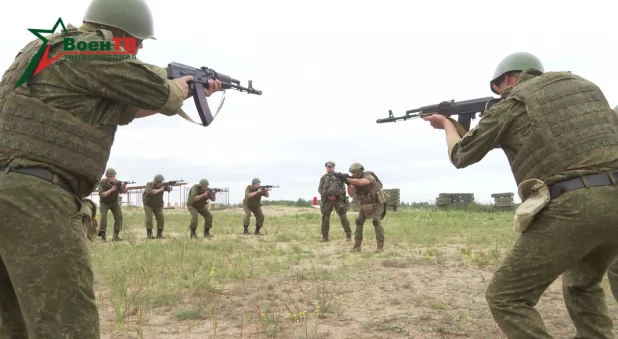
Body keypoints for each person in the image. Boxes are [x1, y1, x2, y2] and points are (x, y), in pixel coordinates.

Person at [0, 0, 222, 336]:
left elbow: (125, 108)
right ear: (121, 33)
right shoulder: (93, 49)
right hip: (37, 200)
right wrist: (181, 87)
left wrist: (185, 91)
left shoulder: (44, 48)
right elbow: (157, 89)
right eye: (138, 43)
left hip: (10, 195)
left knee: (14, 324)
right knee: (68, 325)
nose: (139, 49)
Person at [422, 51, 618, 338]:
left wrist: (447, 125)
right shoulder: (587, 88)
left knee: (506, 297)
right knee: (582, 284)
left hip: (574, 205)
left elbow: (462, 154)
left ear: (508, 78)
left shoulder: (513, 101)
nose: (499, 94)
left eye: (498, 89)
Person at [341, 162, 387, 253]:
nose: (354, 174)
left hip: (377, 202)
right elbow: (351, 194)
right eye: (352, 173)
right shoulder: (354, 180)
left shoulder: (368, 176)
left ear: (360, 171)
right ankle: (357, 246)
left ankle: (380, 247)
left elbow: (361, 182)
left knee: (376, 221)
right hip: (365, 203)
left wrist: (347, 179)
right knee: (358, 221)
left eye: (356, 172)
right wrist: (347, 183)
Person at [317, 161, 351, 241]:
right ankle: (325, 237)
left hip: (338, 199)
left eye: (331, 166)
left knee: (343, 217)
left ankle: (348, 235)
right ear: (326, 168)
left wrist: (336, 195)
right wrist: (328, 195)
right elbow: (320, 189)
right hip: (327, 200)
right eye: (328, 167)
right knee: (325, 218)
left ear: (334, 167)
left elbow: (343, 188)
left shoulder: (339, 176)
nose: (329, 168)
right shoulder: (323, 178)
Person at [97, 167, 127, 241]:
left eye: (114, 176)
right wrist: (111, 189)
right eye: (111, 176)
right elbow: (102, 194)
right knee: (103, 218)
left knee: (119, 217)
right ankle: (103, 236)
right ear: (107, 177)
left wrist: (123, 186)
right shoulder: (102, 183)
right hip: (104, 203)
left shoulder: (117, 182)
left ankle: (116, 236)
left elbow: (124, 191)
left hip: (114, 202)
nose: (113, 178)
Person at [142, 174, 172, 239]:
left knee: (161, 218)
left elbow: (169, 189)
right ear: (155, 181)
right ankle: (149, 234)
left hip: (157, 205)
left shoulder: (163, 186)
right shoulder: (149, 184)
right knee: (149, 218)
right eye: (159, 182)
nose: (160, 183)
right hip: (148, 204)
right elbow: (150, 192)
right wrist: (160, 190)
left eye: (161, 182)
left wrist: (169, 187)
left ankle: (159, 234)